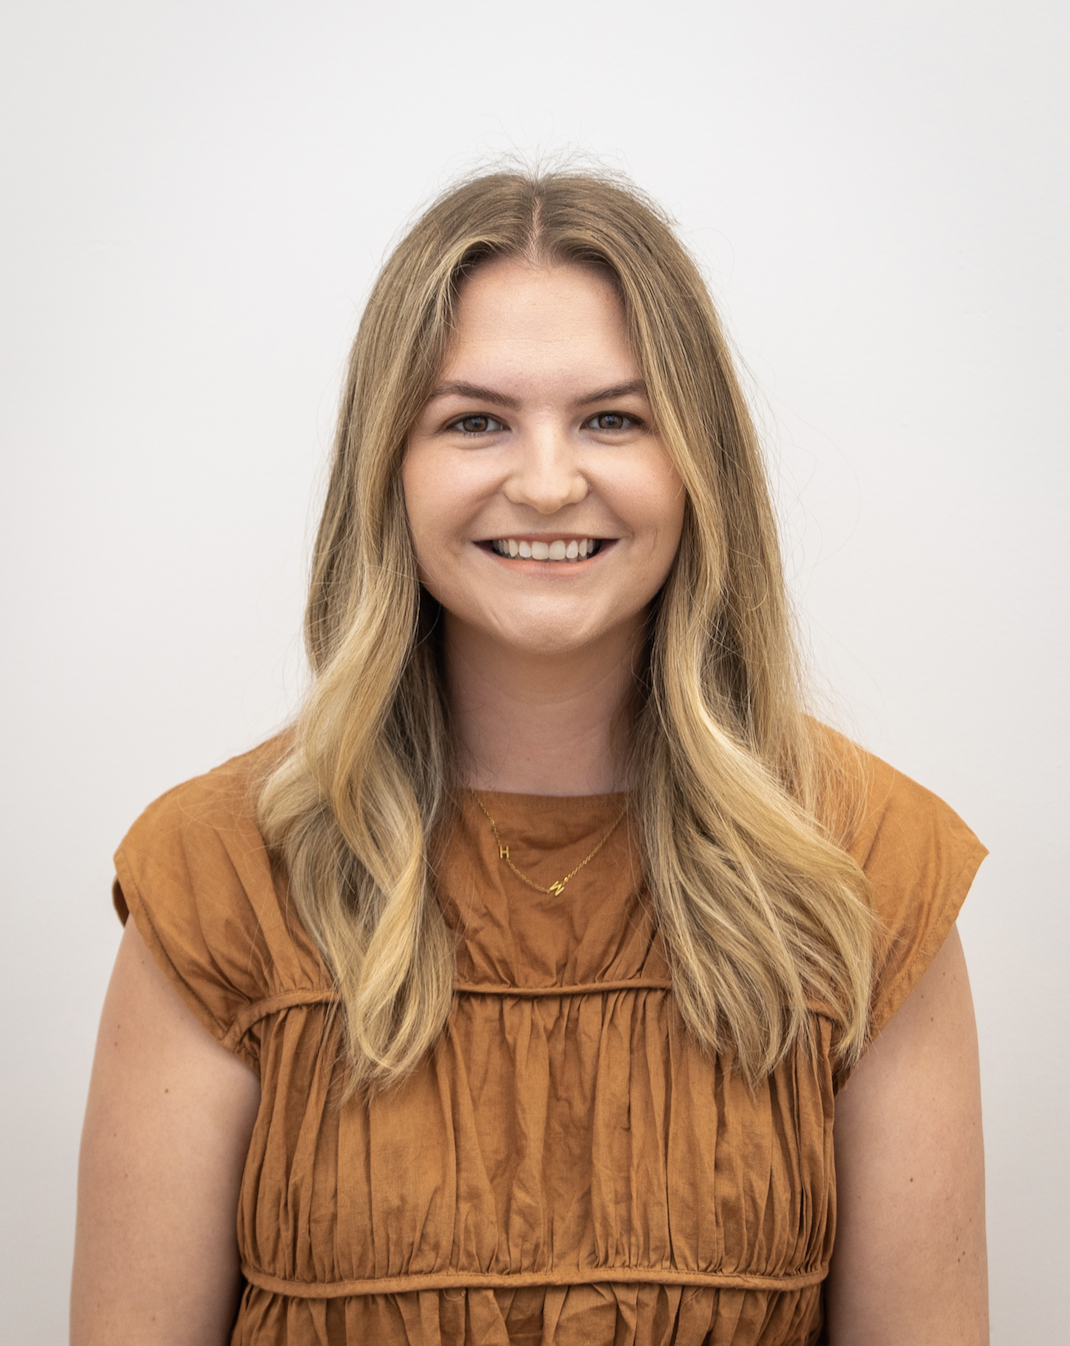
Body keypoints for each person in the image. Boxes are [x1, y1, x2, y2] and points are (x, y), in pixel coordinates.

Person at [71, 169, 988, 1346]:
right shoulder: (215, 877)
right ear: (386, 467)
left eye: (612, 417)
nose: (548, 480)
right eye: (474, 420)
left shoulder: (868, 875)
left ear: (696, 462)